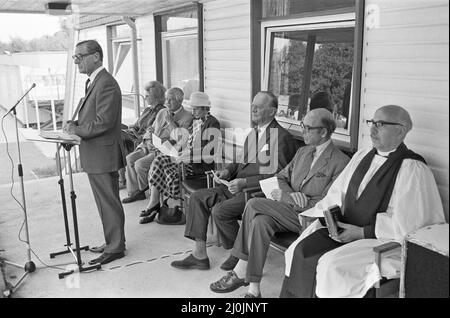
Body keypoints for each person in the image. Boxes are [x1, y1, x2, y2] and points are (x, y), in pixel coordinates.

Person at [280, 105, 446, 298]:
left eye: (381, 124)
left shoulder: (412, 169)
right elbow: (337, 194)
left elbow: (411, 225)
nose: (372, 129)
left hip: (378, 240)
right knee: (299, 250)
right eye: (372, 123)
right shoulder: (362, 156)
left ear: (400, 130)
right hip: (345, 229)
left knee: (332, 266)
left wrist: (360, 232)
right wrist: (328, 219)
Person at [209, 108, 349, 298]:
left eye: (307, 128)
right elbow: (280, 177)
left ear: (323, 132)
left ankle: (241, 268)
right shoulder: (303, 152)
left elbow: (328, 202)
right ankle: (254, 290)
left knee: (253, 204)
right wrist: (290, 194)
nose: (303, 131)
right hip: (287, 210)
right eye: (302, 126)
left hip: (311, 219)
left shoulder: (341, 162)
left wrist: (294, 200)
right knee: (260, 222)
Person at [170, 91, 298, 271]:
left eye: (258, 107)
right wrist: (226, 171)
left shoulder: (281, 137)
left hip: (256, 192)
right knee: (198, 197)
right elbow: (240, 161)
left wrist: (245, 184)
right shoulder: (255, 132)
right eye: (252, 104)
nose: (253, 109)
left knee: (220, 211)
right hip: (234, 185)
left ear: (272, 111)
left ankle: (239, 254)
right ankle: (199, 254)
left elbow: (278, 176)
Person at [64, 40, 126, 265]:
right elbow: (94, 116)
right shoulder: (95, 81)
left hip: (103, 154)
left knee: (109, 201)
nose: (77, 60)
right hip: (96, 153)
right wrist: (76, 124)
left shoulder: (106, 83)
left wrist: (76, 130)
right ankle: (113, 241)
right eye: (75, 57)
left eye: (80, 56)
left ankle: (116, 247)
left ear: (96, 57)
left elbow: (104, 122)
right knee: (104, 201)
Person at [139, 91, 221, 224]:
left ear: (205, 108)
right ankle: (154, 202)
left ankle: (170, 206)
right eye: (193, 109)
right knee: (160, 159)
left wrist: (187, 154)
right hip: (187, 158)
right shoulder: (196, 121)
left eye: (196, 109)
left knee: (168, 168)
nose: (193, 112)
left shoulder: (212, 123)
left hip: (198, 165)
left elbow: (209, 151)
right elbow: (188, 140)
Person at [121, 87, 193, 203]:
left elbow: (180, 139)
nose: (167, 102)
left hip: (165, 150)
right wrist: (150, 132)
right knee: (129, 159)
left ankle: (146, 191)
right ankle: (135, 192)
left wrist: (170, 122)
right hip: (151, 144)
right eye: (166, 99)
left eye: (171, 100)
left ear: (179, 101)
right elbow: (153, 128)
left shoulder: (187, 117)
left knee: (139, 165)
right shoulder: (162, 112)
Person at [120, 81, 166, 190]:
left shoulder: (161, 112)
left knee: (120, 145)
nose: (145, 98)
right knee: (117, 138)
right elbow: (137, 124)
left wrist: (137, 135)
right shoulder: (147, 110)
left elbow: (153, 132)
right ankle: (125, 182)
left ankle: (125, 181)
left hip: (144, 141)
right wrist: (132, 128)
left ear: (155, 97)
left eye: (147, 96)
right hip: (135, 136)